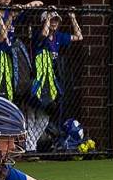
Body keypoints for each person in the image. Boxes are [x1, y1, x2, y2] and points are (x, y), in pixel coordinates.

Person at [27, 9, 83, 151]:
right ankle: (30, 148)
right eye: (51, 20)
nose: (54, 23)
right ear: (44, 21)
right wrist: (47, 18)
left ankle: (31, 146)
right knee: (31, 115)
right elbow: (44, 34)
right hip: (36, 80)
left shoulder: (58, 37)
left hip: (49, 83)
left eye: (56, 20)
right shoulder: (38, 35)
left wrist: (72, 17)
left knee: (44, 117)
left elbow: (78, 36)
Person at [0, 0, 41, 100]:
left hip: (9, 59)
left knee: (10, 91)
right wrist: (11, 17)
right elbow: (2, 37)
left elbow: (28, 8)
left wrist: (28, 6)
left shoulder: (9, 11)